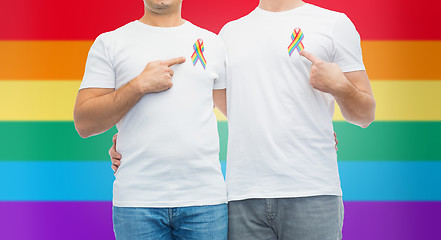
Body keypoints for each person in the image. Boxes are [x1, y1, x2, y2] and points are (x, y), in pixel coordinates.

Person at [111, 0, 376, 239]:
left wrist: (340, 86)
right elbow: (225, 102)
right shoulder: (228, 34)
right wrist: (133, 136)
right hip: (241, 196)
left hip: (312, 190)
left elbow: (365, 115)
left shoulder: (333, 24)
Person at [73, 0, 228, 239]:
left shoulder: (213, 43)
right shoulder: (111, 43)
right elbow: (84, 122)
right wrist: (139, 85)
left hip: (205, 200)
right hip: (136, 202)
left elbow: (239, 112)